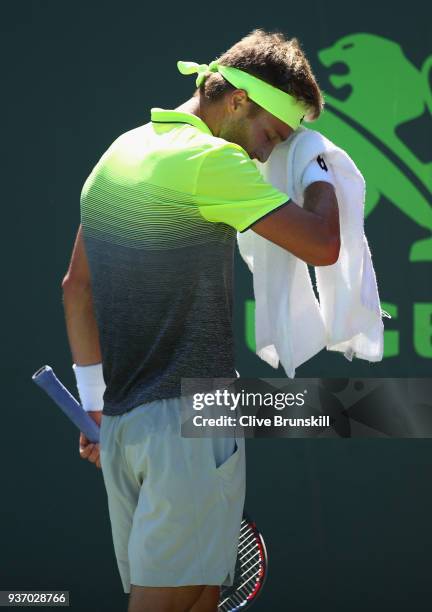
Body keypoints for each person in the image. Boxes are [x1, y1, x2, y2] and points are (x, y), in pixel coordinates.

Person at [62, 29, 340, 612]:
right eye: (273, 135)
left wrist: (97, 407)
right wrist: (318, 168)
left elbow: (77, 289)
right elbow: (322, 244)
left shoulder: (119, 154)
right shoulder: (209, 162)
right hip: (192, 425)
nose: (268, 153)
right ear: (237, 101)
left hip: (127, 430)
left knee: (198, 603)